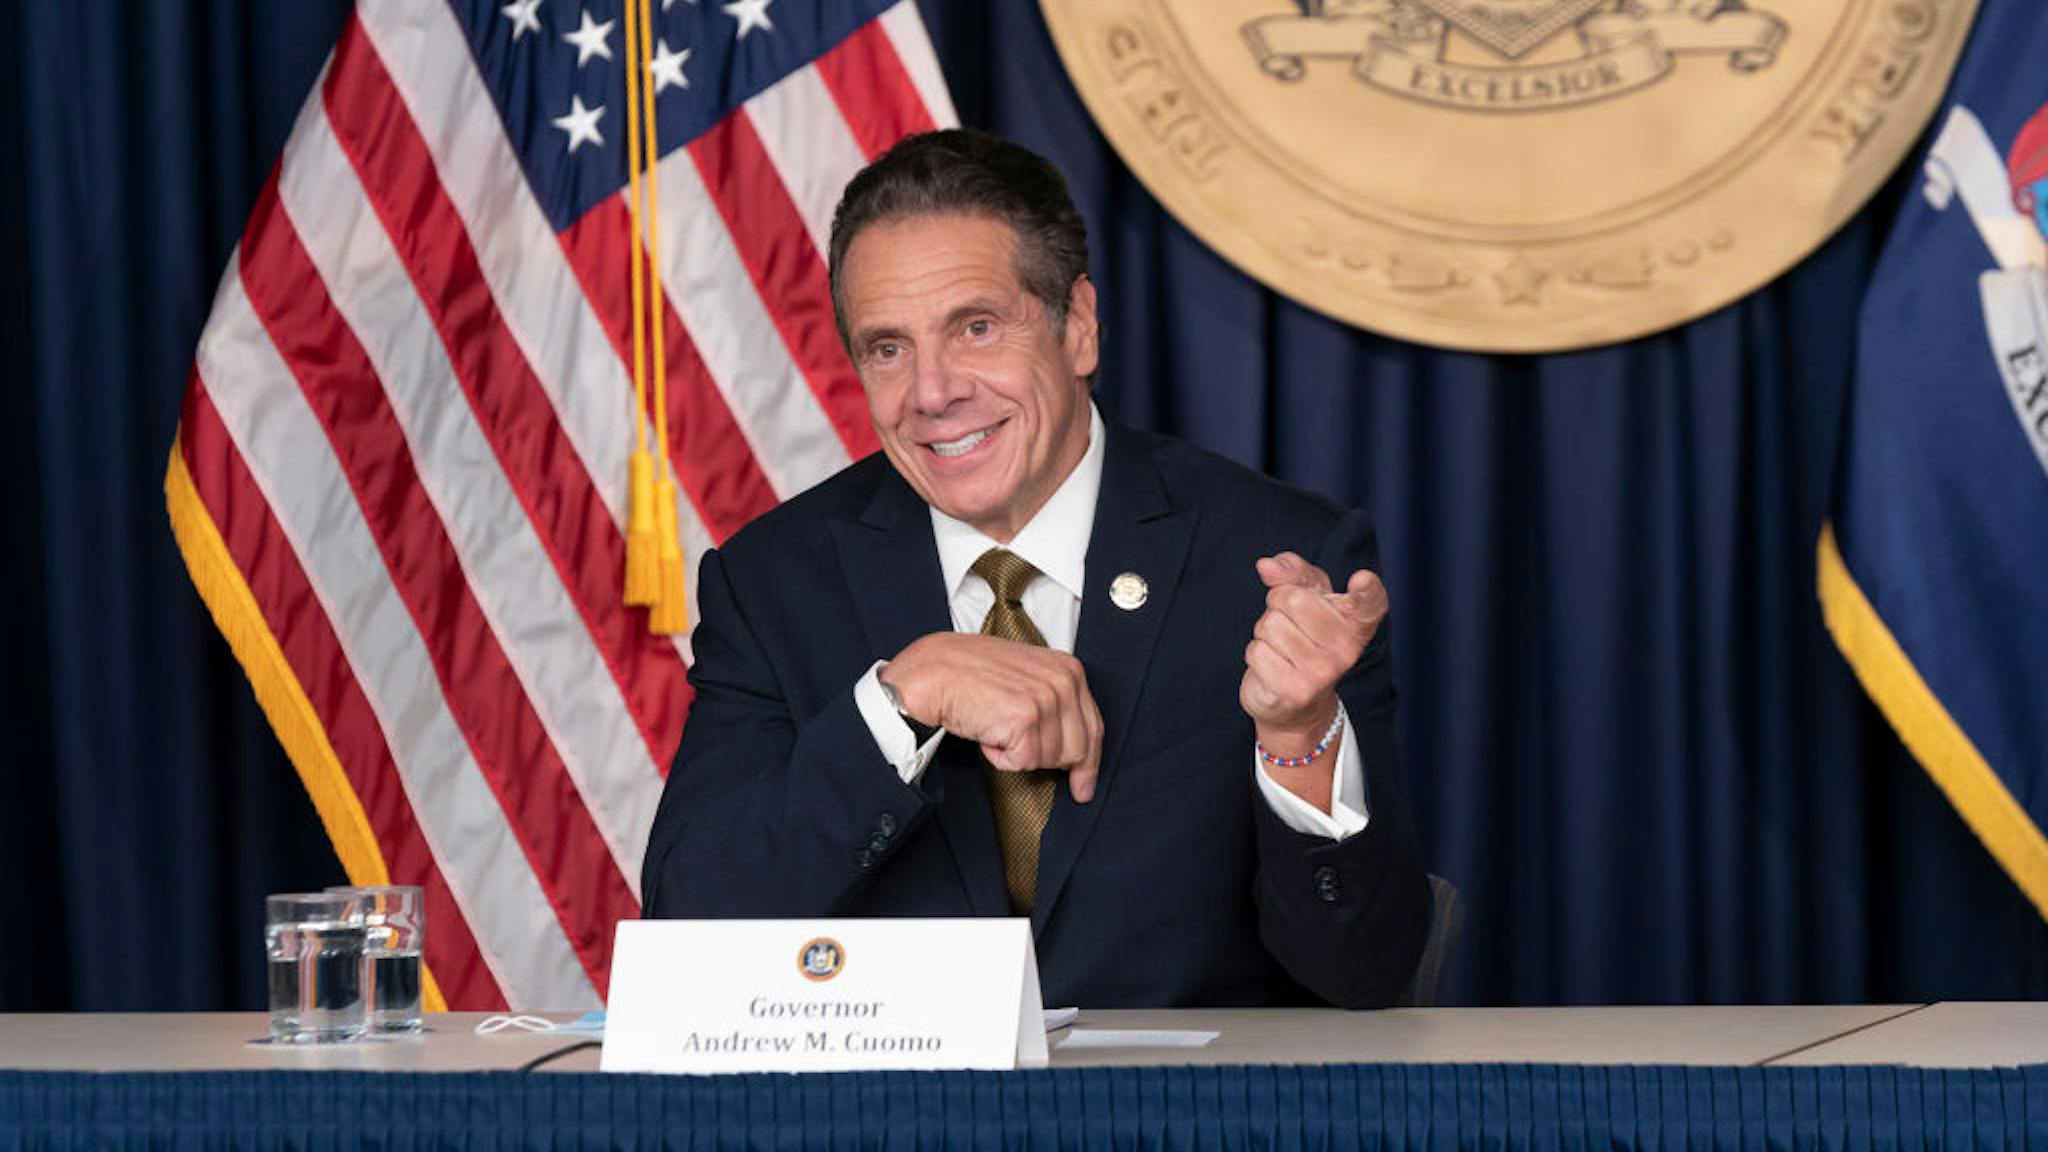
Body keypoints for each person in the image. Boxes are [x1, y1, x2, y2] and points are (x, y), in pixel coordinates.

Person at [641, 128, 1430, 1008]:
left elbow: (1366, 973)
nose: (933, 392)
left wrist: (1299, 742)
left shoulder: (1275, 563)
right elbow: (686, 935)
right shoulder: (773, 583)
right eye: (889, 348)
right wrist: (900, 703)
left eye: (976, 328)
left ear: (1079, 326)